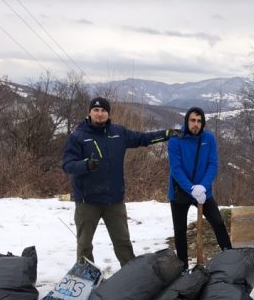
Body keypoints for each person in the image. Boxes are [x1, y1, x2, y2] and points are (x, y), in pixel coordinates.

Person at [62, 97, 180, 267]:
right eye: (96, 110)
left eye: (103, 110)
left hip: (114, 200)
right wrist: (85, 165)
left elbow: (142, 139)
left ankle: (130, 278)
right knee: (84, 245)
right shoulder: (78, 136)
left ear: (108, 113)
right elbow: (67, 165)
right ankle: (84, 280)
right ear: (89, 112)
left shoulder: (118, 133)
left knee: (123, 243)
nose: (100, 114)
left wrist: (165, 135)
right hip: (87, 201)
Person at [168, 106, 232, 268]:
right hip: (180, 191)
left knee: (218, 222)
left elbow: (212, 164)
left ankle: (230, 257)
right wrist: (191, 189)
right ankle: (183, 267)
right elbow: (176, 169)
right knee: (180, 230)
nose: (196, 124)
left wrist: (203, 186)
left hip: (203, 191)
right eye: (192, 120)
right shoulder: (176, 140)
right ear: (187, 121)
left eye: (199, 121)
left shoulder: (208, 139)